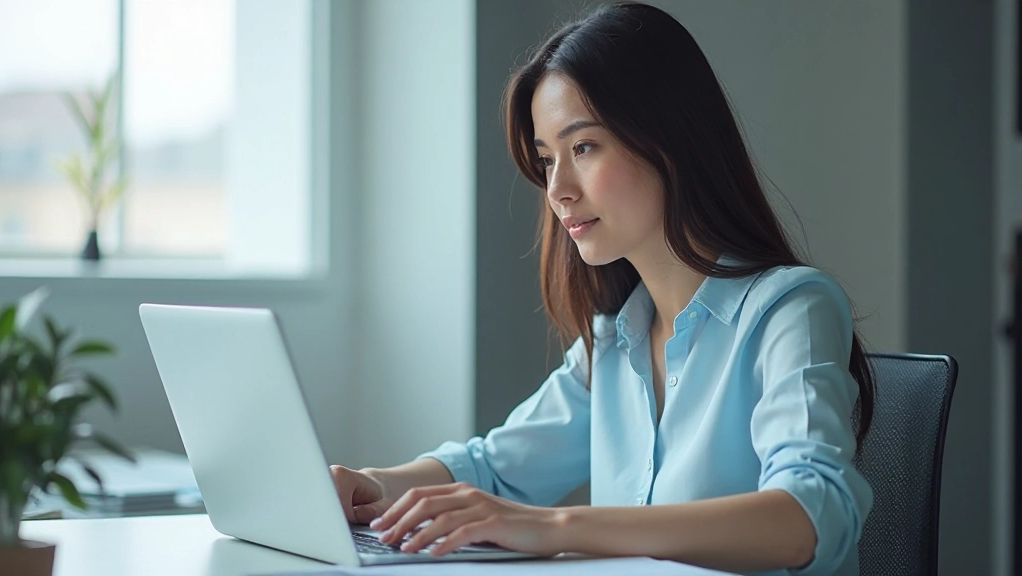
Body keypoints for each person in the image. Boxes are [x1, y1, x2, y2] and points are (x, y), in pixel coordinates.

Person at [329, 3, 874, 575]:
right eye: (546, 160)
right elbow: (494, 469)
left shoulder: (791, 308)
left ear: (669, 137)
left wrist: (555, 528)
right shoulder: (614, 340)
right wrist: (371, 486)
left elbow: (811, 516)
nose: (558, 189)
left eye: (583, 147)